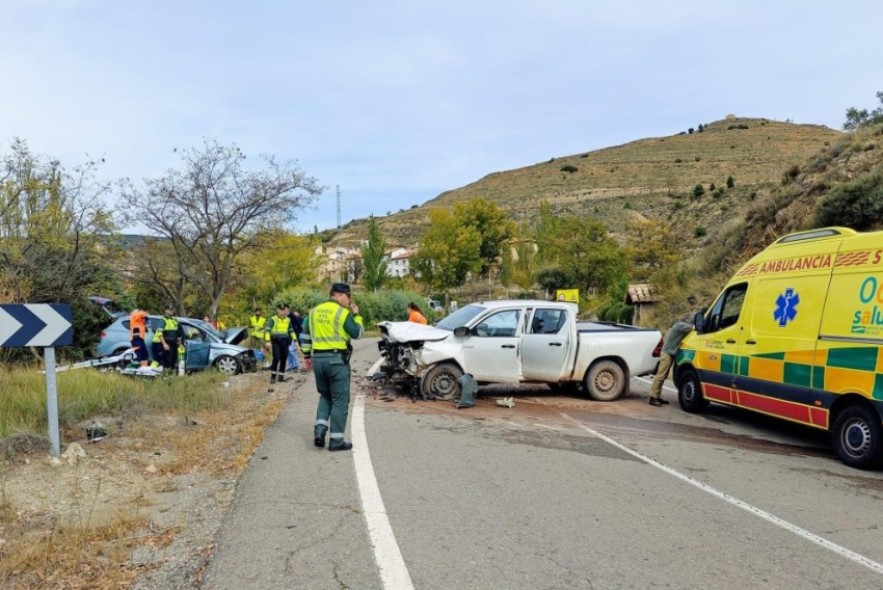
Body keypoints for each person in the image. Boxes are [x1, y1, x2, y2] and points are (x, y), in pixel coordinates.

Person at [301, 282, 364, 451]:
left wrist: (306, 356)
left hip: (318, 360)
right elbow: (357, 333)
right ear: (339, 295)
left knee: (325, 396)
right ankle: (336, 441)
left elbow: (305, 335)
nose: (349, 300)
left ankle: (319, 431)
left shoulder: (313, 312)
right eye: (348, 296)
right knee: (340, 401)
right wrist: (356, 315)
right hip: (336, 361)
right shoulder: (342, 313)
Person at [648, 296, 698, 407]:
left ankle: (657, 396)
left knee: (663, 376)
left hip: (669, 353)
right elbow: (693, 327)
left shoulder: (679, 325)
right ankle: (652, 397)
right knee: (660, 376)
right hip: (667, 354)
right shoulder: (680, 326)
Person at [264, 303, 296, 385]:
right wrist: (267, 341)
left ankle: (281, 377)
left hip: (285, 341)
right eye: (281, 310)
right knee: (276, 358)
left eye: (284, 309)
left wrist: (295, 340)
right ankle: (273, 377)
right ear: (278, 310)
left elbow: (291, 330)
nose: (282, 311)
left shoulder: (288, 319)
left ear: (286, 310)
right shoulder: (273, 319)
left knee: (284, 359)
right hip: (276, 342)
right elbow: (267, 330)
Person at [160, 306, 182, 371]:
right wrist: (164, 344)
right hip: (167, 343)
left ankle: (171, 375)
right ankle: (166, 376)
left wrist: (180, 344)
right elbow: (159, 333)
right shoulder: (163, 320)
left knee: (173, 360)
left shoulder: (175, 320)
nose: (171, 311)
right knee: (167, 360)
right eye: (169, 310)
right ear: (165, 311)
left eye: (172, 309)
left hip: (175, 343)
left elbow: (178, 333)